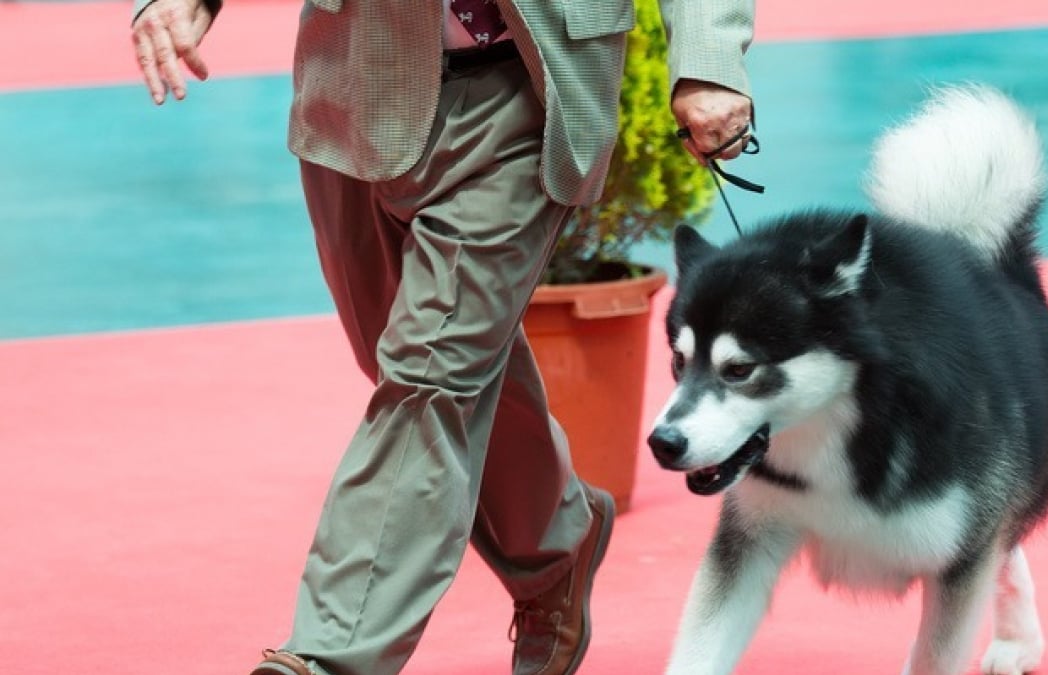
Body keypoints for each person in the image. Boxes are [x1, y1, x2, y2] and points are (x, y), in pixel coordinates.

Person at [129, 0, 755, 673]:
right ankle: (557, 543)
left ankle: (332, 653)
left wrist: (709, 59)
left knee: (429, 375)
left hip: (532, 88)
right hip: (355, 76)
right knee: (431, 364)